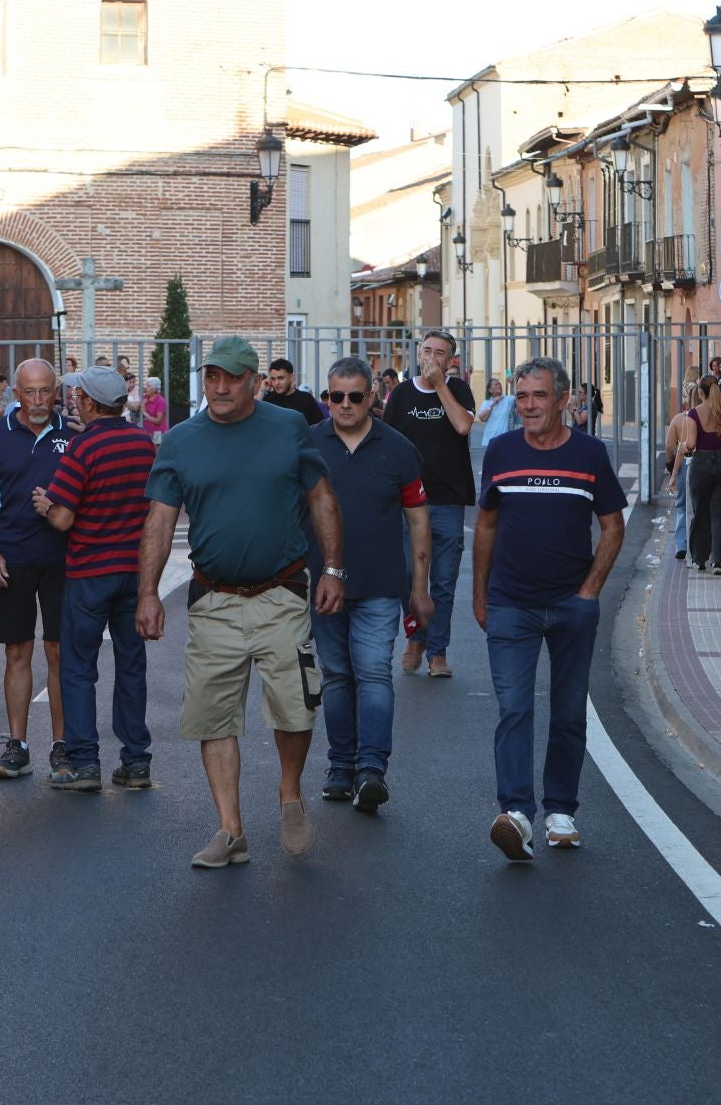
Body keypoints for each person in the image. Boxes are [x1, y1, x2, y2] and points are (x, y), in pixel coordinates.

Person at [136, 337, 343, 868]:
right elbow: (159, 520)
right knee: (213, 718)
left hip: (281, 592)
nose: (220, 387)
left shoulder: (287, 427)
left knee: (296, 707)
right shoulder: (181, 440)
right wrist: (149, 594)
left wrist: (334, 569)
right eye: (212, 377)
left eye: (232, 378)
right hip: (214, 600)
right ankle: (231, 831)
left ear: (256, 382)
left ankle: (289, 790)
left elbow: (320, 495)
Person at [474, 357, 626, 861]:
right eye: (522, 397)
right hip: (511, 603)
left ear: (563, 400)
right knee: (514, 707)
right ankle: (516, 813)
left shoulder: (589, 454)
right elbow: (487, 526)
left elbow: (612, 525)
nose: (530, 406)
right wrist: (480, 594)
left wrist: (590, 592)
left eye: (539, 396)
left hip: (570, 605)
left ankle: (561, 810)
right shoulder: (500, 451)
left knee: (567, 712)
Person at [309, 358, 432, 811]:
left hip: (381, 585)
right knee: (337, 677)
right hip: (322, 586)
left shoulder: (398, 449)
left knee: (375, 673)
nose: (344, 405)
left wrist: (420, 589)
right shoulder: (308, 444)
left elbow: (419, 523)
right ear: (326, 398)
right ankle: (341, 767)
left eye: (355, 396)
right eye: (335, 396)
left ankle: (371, 770)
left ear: (371, 399)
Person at [42, 364, 157, 791]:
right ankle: (135, 760)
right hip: (134, 572)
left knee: (78, 668)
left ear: (89, 403)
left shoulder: (82, 448)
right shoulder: (146, 443)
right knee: (131, 665)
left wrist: (45, 504)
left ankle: (85, 762)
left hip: (89, 571)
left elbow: (63, 517)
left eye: (78, 399)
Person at [0, 360, 69, 781]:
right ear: (16, 394)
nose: (39, 401)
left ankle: (63, 747)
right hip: (12, 556)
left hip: (63, 557)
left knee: (60, 653)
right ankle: (18, 745)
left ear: (56, 391)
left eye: (46, 391)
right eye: (30, 392)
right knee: (17, 652)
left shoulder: (72, 434)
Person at [383, 329, 473, 679]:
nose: (432, 357)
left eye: (440, 352)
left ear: (451, 360)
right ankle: (415, 636)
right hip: (408, 502)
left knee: (444, 580)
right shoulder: (402, 394)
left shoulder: (458, 390)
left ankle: (438, 651)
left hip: (448, 499)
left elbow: (464, 426)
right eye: (427, 350)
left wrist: (440, 386)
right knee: (408, 576)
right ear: (418, 354)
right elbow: (387, 444)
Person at [678, 376, 721, 575]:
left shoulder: (694, 414)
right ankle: (718, 561)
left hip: (701, 465)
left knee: (700, 513)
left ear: (700, 392)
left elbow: (691, 445)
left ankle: (700, 560)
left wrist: (682, 447)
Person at [663, 379, 703, 562]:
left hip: (685, 466)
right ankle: (699, 544)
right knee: (701, 507)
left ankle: (681, 544)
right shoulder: (708, 417)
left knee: (681, 506)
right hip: (705, 464)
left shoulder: (679, 420)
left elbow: (670, 447)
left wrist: (672, 468)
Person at [261, 358, 324, 425]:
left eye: (281, 378)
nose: (276, 383)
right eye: (273, 379)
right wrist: (261, 391)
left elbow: (319, 427)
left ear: (291, 377)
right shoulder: (267, 400)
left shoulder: (306, 399)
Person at [474, 375, 516, 446]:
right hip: (490, 440)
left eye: (499, 384)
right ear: (490, 390)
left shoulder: (508, 400)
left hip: (504, 440)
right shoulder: (486, 403)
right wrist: (493, 403)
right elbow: (482, 418)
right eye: (496, 384)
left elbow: (520, 396)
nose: (499, 385)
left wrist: (514, 381)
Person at [139, 375, 170, 443]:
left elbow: (158, 421)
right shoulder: (145, 397)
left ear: (154, 389)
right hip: (146, 431)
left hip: (158, 432)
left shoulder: (160, 401)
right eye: (146, 385)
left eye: (148, 386)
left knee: (156, 452)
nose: (145, 388)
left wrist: (145, 414)